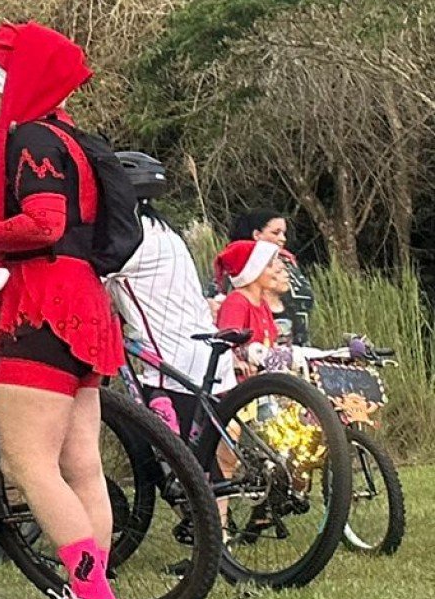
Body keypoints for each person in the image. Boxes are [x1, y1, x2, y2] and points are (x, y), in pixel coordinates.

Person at [0, 23, 131, 599]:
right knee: (80, 464)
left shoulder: (33, 138)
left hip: (44, 304)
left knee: (30, 462)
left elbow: (44, 222)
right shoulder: (71, 137)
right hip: (85, 303)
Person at [106, 151, 230, 439]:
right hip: (202, 351)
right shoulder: (165, 233)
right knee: (201, 461)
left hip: (170, 362)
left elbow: (86, 280)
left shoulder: (129, 241)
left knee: (174, 455)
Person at [228, 209, 313, 343]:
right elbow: (229, 340)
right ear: (256, 234)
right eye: (275, 233)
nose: (282, 239)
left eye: (284, 233)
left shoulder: (287, 261)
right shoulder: (237, 274)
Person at [215, 238, 289, 371]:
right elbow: (224, 344)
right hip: (246, 387)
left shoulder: (263, 304)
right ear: (254, 270)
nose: (274, 272)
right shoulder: (236, 302)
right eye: (269, 266)